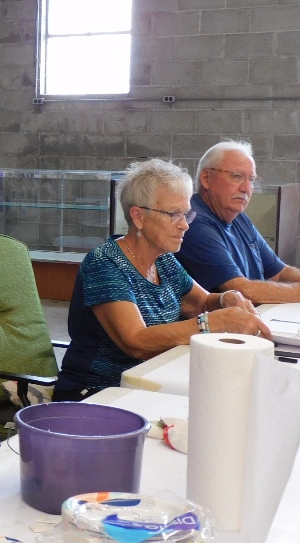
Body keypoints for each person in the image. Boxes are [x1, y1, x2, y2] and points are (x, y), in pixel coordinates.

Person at [54, 159, 269, 401]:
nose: (185, 225)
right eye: (173, 214)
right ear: (139, 217)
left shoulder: (164, 260)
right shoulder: (105, 263)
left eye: (186, 214)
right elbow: (136, 341)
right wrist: (211, 324)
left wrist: (226, 299)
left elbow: (200, 303)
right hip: (97, 393)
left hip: (151, 382)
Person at [176, 140, 300, 303]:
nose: (246, 188)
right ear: (206, 178)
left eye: (251, 180)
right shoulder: (193, 222)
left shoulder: (237, 217)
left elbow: (279, 272)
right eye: (237, 176)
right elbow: (241, 290)